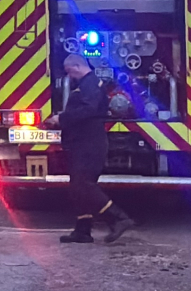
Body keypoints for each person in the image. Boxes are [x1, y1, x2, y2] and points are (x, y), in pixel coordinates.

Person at [43, 54, 136, 243]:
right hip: (82, 143)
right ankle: (82, 230)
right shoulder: (86, 85)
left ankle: (118, 218)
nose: (69, 76)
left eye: (70, 72)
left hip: (89, 144)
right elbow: (83, 111)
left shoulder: (90, 84)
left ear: (77, 66)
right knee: (78, 188)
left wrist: (61, 119)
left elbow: (88, 110)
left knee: (84, 186)